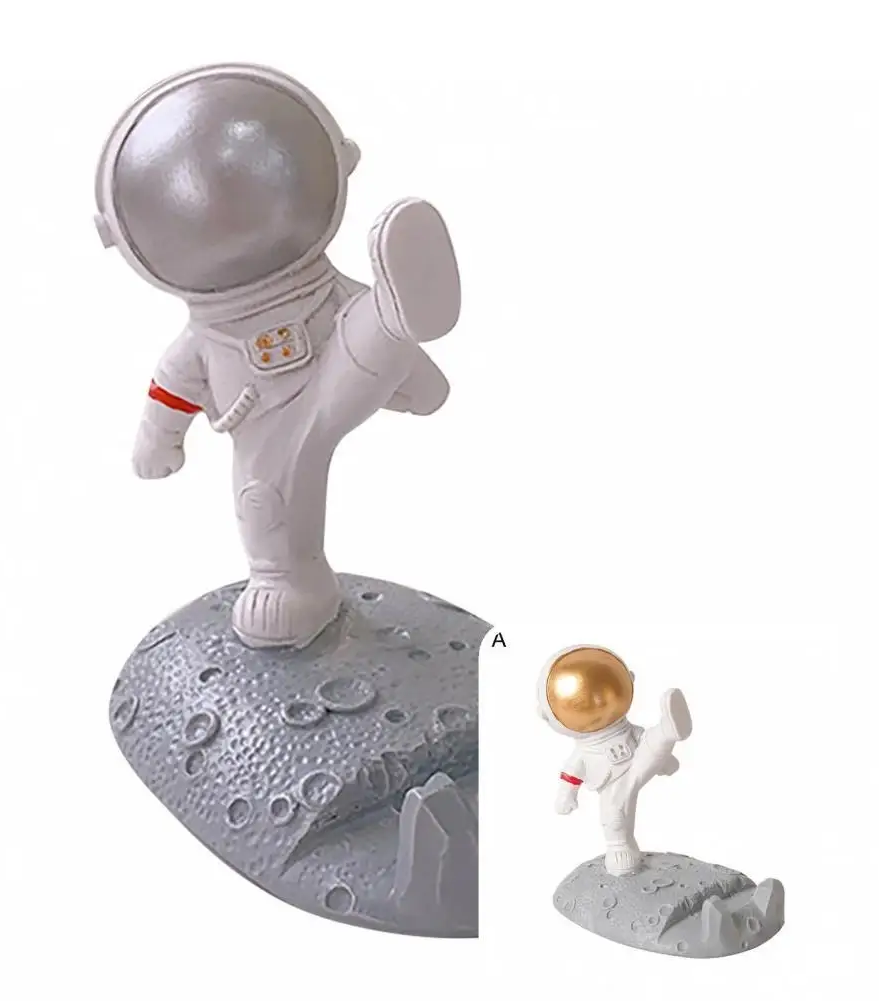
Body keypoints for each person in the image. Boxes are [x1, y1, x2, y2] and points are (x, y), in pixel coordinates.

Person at [94, 64, 461, 648]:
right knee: (271, 489)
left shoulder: (293, 298)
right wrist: (158, 438)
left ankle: (395, 318)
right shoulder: (204, 342)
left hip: (317, 366)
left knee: (279, 474)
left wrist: (160, 442)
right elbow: (172, 385)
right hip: (280, 406)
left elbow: (170, 386)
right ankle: (392, 326)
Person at [538, 646, 693, 876]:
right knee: (614, 813)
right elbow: (572, 772)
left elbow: (640, 738)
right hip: (611, 779)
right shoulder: (584, 752)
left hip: (638, 761)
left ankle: (666, 732)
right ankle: (620, 848)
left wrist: (664, 761)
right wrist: (566, 795)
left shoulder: (628, 730)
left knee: (649, 745)